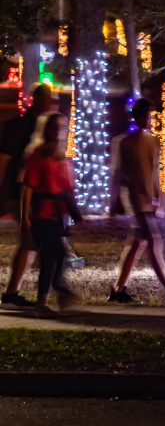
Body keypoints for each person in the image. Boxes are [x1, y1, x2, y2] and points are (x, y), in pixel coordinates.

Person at [108, 98, 165, 305]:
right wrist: (112, 202)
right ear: (134, 117)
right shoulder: (123, 142)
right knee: (153, 240)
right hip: (134, 199)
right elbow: (116, 174)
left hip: (147, 200)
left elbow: (156, 173)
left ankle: (118, 289)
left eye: (149, 116)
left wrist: (161, 199)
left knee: (135, 244)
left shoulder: (153, 141)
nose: (147, 120)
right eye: (143, 115)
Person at [21, 112, 82, 318]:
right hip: (42, 213)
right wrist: (25, 219)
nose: (57, 131)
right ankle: (47, 298)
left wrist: (73, 212)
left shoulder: (61, 155)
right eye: (53, 127)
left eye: (60, 127)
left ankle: (52, 295)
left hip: (58, 214)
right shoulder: (38, 155)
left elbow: (67, 187)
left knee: (58, 255)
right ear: (46, 129)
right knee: (53, 254)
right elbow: (28, 188)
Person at [0, 84, 53, 308]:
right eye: (47, 99)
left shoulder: (42, 128)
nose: (50, 104)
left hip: (31, 193)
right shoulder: (20, 127)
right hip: (16, 191)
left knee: (30, 242)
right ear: (37, 101)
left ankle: (13, 292)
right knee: (30, 239)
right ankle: (13, 294)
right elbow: (4, 159)